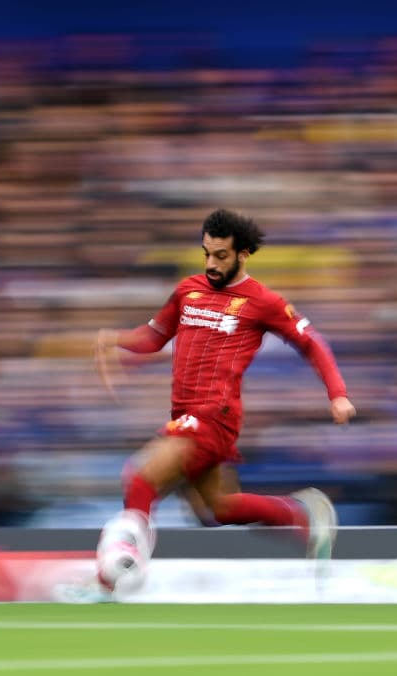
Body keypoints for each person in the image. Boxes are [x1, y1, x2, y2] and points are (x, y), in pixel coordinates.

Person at [90, 208, 356, 597]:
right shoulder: (188, 290)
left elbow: (311, 342)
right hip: (185, 416)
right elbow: (154, 336)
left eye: (221, 256)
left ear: (243, 254)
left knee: (140, 477)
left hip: (214, 416)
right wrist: (116, 339)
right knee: (217, 509)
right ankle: (302, 516)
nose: (211, 264)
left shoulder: (263, 301)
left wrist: (338, 395)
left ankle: (115, 578)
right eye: (206, 254)